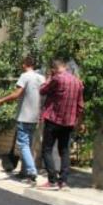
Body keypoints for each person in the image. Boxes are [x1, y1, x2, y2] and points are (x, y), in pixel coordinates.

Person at [0, 56, 45, 186]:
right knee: (28, 144)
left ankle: (31, 171)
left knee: (23, 145)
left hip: (24, 116)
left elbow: (16, 94)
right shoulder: (41, 78)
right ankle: (25, 171)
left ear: (25, 64)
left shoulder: (25, 76)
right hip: (35, 116)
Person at [37, 58, 84, 191]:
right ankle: (63, 182)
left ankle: (52, 180)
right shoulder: (78, 82)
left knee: (46, 149)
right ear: (65, 67)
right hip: (69, 122)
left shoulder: (57, 79)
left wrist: (48, 78)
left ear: (54, 69)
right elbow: (80, 106)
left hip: (53, 119)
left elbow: (42, 90)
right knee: (64, 151)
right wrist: (78, 122)